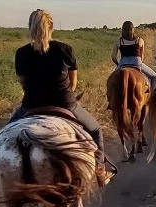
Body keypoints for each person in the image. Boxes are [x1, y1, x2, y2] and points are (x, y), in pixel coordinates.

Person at [11, 8, 109, 163]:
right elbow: (73, 84)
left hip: (31, 105)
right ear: (51, 26)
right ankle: (100, 169)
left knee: (2, 136)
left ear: (30, 27)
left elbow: (23, 84)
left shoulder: (21, 53)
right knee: (96, 131)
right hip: (65, 104)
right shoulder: (65, 49)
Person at [111, 20, 156, 89]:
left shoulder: (118, 41)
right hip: (136, 63)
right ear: (132, 29)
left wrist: (118, 64)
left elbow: (113, 57)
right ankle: (151, 98)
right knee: (155, 77)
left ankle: (110, 98)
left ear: (122, 30)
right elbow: (141, 57)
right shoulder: (140, 40)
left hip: (123, 63)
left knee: (112, 81)